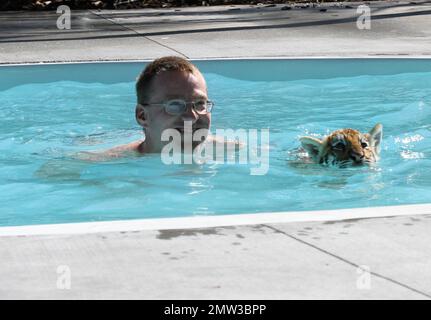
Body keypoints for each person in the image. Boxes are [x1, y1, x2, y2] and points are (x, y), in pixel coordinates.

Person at [98, 56, 219, 158]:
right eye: (175, 104)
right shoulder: (110, 165)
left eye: (199, 104)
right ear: (142, 116)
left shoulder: (230, 152)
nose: (191, 117)